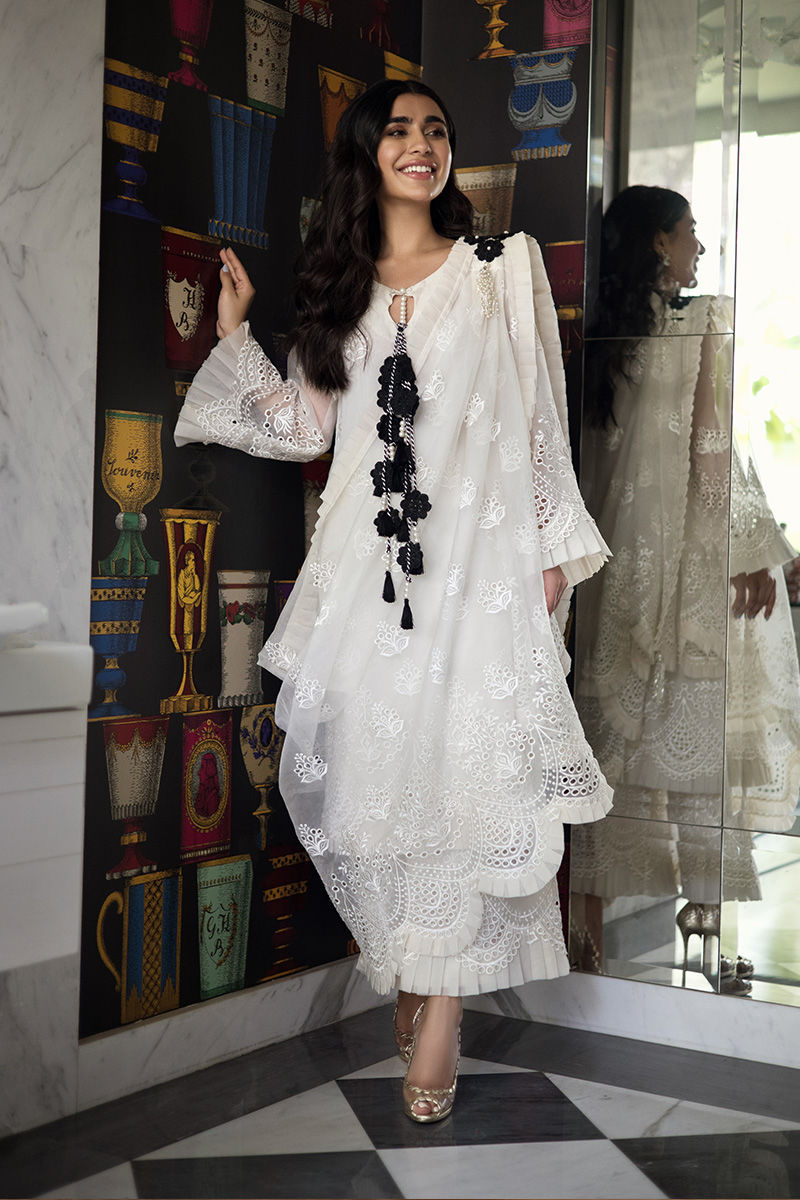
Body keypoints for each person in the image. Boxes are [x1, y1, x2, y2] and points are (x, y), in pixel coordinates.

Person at [175, 79, 612, 1121]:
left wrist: (550, 553)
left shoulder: (500, 268)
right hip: (366, 586)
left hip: (481, 574)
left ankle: (443, 1013)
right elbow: (306, 429)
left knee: (469, 780)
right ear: (367, 156)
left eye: (437, 131)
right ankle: (415, 963)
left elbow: (539, 424)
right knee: (374, 783)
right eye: (401, 132)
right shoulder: (339, 294)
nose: (423, 145)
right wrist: (234, 340)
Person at [573, 186, 800, 987]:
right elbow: (714, 446)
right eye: (690, 232)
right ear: (659, 243)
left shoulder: (600, 329)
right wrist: (753, 551)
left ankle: (585, 933)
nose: (699, 247)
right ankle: (704, 923)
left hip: (611, 563)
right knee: (699, 747)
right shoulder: (702, 320)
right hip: (683, 560)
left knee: (608, 746)